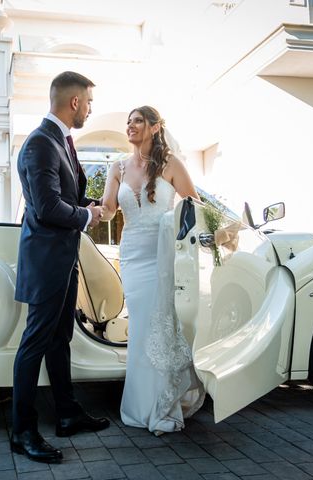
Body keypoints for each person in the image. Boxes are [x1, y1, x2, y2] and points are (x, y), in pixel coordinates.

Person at [12, 71, 110, 463]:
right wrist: (86, 217)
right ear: (74, 102)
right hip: (47, 261)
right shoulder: (40, 144)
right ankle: (22, 431)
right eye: (88, 102)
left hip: (63, 261)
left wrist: (91, 206)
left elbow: (66, 196)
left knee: (59, 340)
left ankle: (67, 414)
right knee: (34, 344)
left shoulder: (60, 142)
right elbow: (48, 207)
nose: (90, 109)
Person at [100, 106, 205, 435]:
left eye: (138, 120)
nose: (130, 125)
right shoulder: (116, 167)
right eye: (129, 121)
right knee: (143, 326)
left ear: (156, 127)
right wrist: (81, 213)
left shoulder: (172, 165)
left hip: (163, 257)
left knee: (158, 327)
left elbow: (195, 206)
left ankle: (163, 405)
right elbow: (107, 209)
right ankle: (142, 405)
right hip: (133, 255)